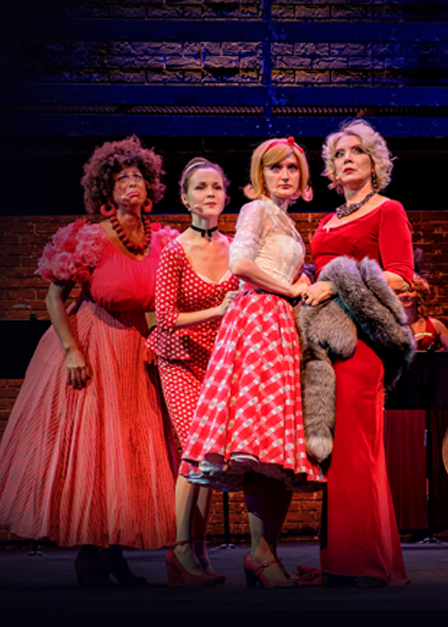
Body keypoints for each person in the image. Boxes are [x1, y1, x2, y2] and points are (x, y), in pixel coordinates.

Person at [0, 135, 178, 588]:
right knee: (95, 452)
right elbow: (54, 298)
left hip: (137, 352)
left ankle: (113, 553)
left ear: (151, 187)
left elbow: (159, 303)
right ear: (106, 191)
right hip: (94, 344)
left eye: (138, 176)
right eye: (121, 178)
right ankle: (89, 555)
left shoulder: (162, 241)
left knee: (127, 454)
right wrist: (72, 351)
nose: (131, 182)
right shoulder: (88, 238)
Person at [180, 137, 324, 589]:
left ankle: (265, 554)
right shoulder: (256, 210)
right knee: (260, 443)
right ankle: (258, 554)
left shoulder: (286, 221)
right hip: (259, 319)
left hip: (278, 323)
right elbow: (241, 264)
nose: (285, 175)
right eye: (275, 168)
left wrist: (303, 282)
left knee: (276, 446)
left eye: (292, 168)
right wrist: (290, 287)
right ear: (260, 175)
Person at [302, 118, 414, 587]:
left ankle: (366, 562)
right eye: (339, 154)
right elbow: (319, 271)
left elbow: (401, 275)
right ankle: (341, 560)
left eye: (356, 151)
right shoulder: (328, 220)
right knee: (335, 454)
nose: (347, 159)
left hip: (361, 343)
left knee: (357, 450)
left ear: (375, 161)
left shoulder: (388, 210)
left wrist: (338, 284)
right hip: (323, 342)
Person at [146, 157, 239, 588]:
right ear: (185, 199)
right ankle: (180, 549)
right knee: (195, 451)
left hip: (217, 362)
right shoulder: (174, 250)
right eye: (200, 187)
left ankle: (198, 551)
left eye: (216, 187)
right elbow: (165, 317)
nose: (210, 194)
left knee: (211, 459)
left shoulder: (236, 248)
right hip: (180, 359)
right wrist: (217, 310)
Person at [399, 274, 448, 351]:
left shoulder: (435, 325)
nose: (405, 295)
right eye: (400, 292)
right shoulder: (390, 327)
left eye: (411, 290)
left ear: (419, 294)